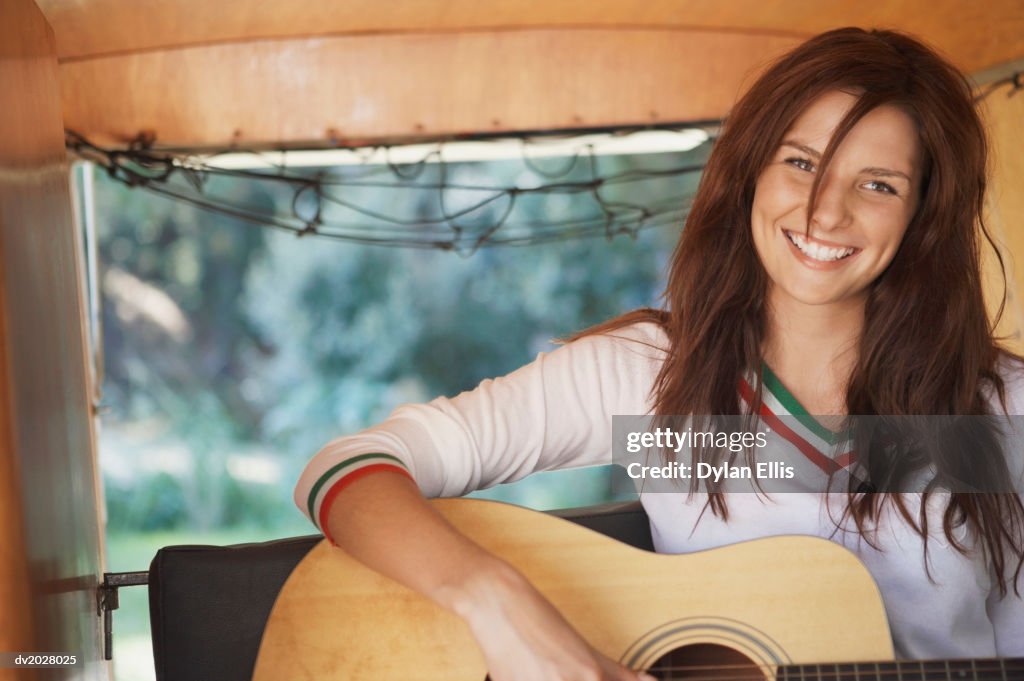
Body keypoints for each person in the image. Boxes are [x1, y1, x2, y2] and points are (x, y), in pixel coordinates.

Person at [294, 27, 1024, 679]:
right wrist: (502, 607)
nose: (825, 211)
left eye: (877, 183)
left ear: (925, 216)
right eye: (801, 163)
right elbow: (345, 468)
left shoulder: (1005, 408)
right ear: (750, 174)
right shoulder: (644, 373)